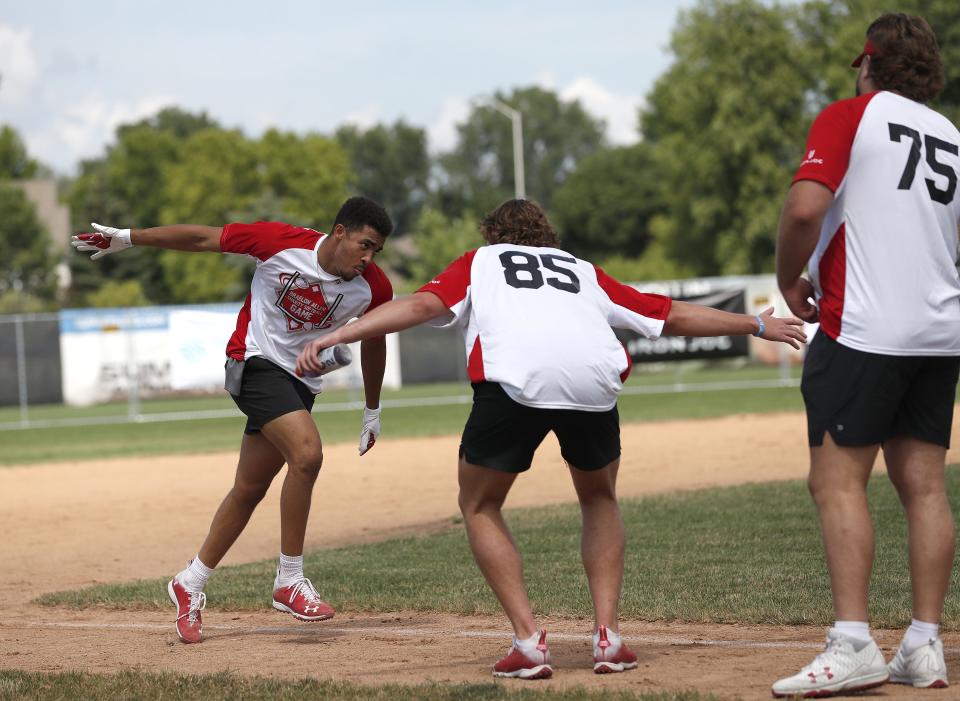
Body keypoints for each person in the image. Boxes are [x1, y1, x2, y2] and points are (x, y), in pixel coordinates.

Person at [297, 198, 806, 679]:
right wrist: (756, 324)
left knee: (479, 505)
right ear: (547, 236)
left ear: (494, 234)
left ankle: (527, 643)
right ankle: (608, 638)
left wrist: (339, 334)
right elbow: (668, 315)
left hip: (517, 378)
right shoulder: (580, 269)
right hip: (593, 380)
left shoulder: (481, 260)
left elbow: (422, 306)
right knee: (600, 496)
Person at [72, 197, 395, 644]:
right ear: (339, 232)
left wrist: (372, 408)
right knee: (307, 454)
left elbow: (375, 337)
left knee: (249, 490)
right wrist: (127, 237)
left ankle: (190, 581)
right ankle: (289, 579)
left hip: (299, 383)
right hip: (254, 362)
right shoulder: (280, 242)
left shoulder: (373, 288)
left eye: (377, 251)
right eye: (365, 245)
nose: (368, 258)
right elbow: (203, 237)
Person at [772, 13, 960, 698]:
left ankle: (853, 641)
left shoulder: (851, 115)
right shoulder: (951, 136)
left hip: (863, 327)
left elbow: (803, 209)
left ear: (869, 61)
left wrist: (789, 278)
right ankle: (925, 643)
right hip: (939, 332)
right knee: (926, 486)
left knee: (837, 481)